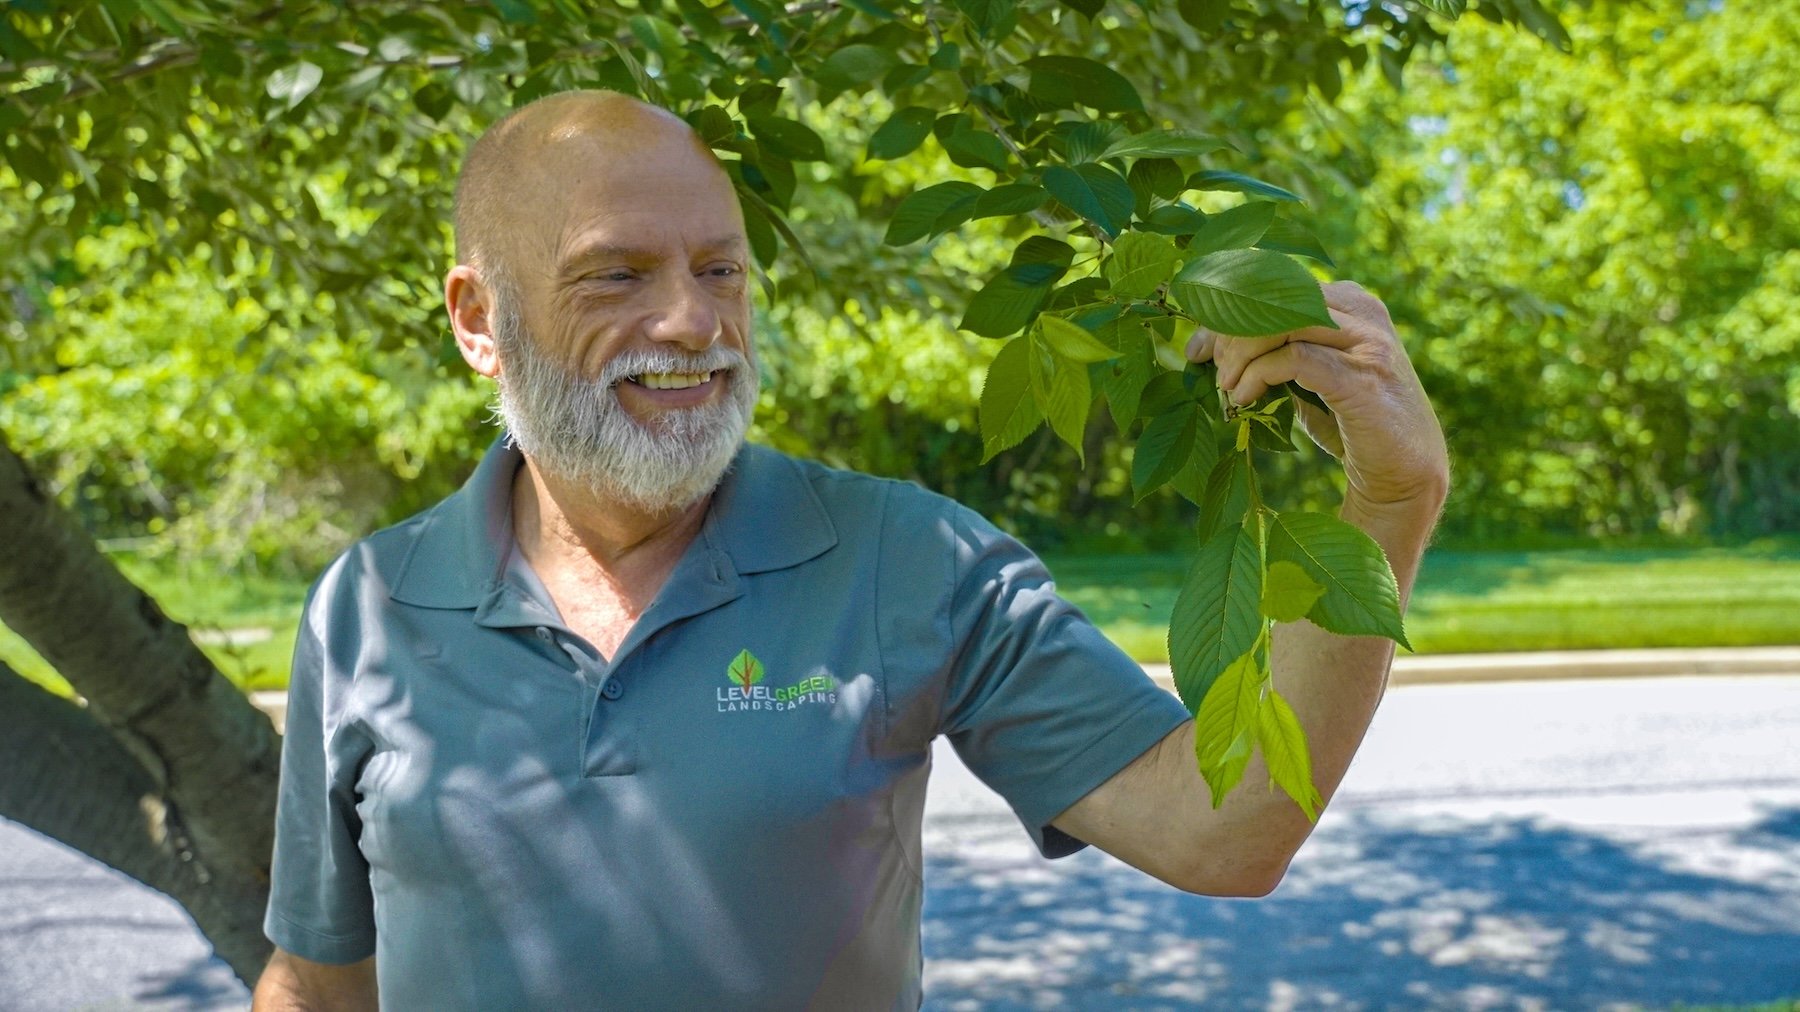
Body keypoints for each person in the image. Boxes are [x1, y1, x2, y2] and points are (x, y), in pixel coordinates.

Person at [251, 90, 1449, 1010]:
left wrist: (1390, 503)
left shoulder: (908, 557)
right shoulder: (369, 607)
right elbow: (315, 980)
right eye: (617, 275)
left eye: (720, 269)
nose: (692, 320)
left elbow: (1224, 829)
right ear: (478, 319)